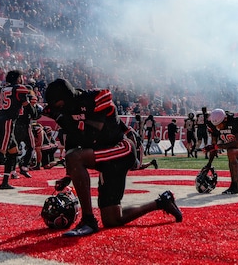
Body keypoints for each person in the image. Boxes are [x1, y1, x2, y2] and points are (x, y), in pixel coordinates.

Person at [42, 78, 182, 237]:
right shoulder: (65, 112)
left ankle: (88, 220)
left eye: (59, 106)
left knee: (74, 157)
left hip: (120, 150)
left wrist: (69, 122)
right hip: (106, 157)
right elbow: (74, 140)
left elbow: (93, 133)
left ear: (66, 99)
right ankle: (162, 202)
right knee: (112, 219)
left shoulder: (95, 98)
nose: (58, 110)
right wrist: (69, 174)